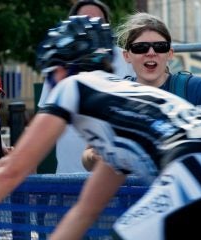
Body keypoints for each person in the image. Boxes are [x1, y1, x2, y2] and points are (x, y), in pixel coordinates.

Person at [0, 16, 201, 240]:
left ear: (60, 70)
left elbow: (10, 171)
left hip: (193, 177)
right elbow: (85, 210)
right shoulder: (122, 113)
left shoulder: (77, 86)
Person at [82, 12, 201, 171]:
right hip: (130, 192)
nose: (151, 52)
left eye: (159, 46)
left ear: (170, 53)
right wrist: (97, 156)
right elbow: (87, 157)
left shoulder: (196, 88)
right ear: (127, 56)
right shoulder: (113, 95)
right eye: (140, 47)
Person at [38, 0, 135, 174]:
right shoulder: (60, 62)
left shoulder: (127, 59)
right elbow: (44, 117)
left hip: (116, 175)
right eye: (84, 21)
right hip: (68, 175)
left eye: (98, 21)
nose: (91, 27)